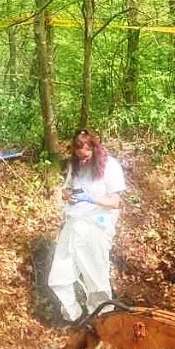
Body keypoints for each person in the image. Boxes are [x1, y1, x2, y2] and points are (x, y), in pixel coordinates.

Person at [47, 130, 127, 322]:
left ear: (94, 149)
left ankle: (102, 320)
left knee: (96, 278)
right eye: (79, 156)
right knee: (58, 276)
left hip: (96, 226)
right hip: (74, 223)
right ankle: (74, 317)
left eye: (86, 156)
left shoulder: (110, 166)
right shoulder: (75, 165)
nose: (82, 160)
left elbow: (115, 201)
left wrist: (91, 199)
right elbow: (66, 190)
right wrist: (70, 196)